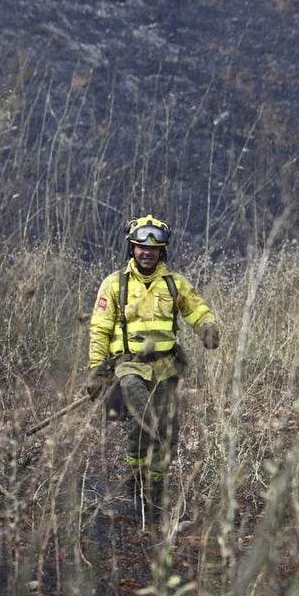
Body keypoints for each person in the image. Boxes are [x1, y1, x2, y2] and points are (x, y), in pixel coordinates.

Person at [85, 214, 220, 509]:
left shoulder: (174, 284)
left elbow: (197, 310)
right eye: (141, 247)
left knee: (157, 433)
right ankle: (135, 482)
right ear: (132, 248)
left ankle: (155, 492)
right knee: (139, 402)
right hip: (128, 364)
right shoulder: (114, 284)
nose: (146, 252)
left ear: (162, 251)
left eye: (153, 248)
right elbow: (100, 328)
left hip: (166, 368)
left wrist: (207, 327)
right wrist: (96, 369)